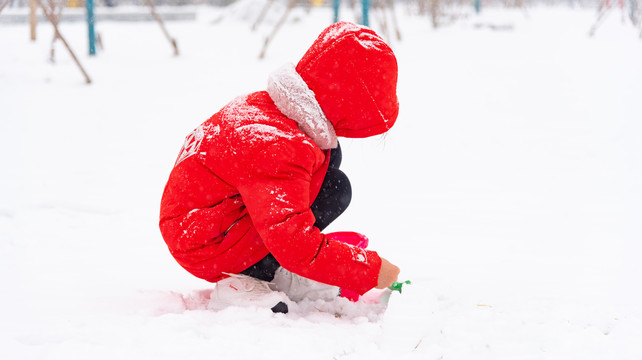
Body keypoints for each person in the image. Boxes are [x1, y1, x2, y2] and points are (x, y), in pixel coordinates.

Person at [159, 21, 400, 313]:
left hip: (210, 218)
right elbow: (294, 242)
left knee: (329, 167)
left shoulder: (276, 111)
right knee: (332, 189)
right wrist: (370, 270)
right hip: (203, 243)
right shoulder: (277, 146)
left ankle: (269, 265)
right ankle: (244, 279)